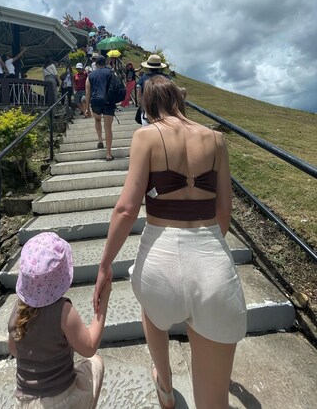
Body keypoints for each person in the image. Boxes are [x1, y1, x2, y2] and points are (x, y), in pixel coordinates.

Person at [94, 75, 246, 409]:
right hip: (212, 267)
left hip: (159, 265)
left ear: (147, 106)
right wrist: (205, 248)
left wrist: (104, 266)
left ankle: (164, 385)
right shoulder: (217, 139)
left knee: (152, 311)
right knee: (214, 402)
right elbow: (224, 212)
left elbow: (127, 209)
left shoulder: (146, 136)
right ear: (180, 100)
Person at [8, 232, 111, 409]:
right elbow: (89, 347)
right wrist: (104, 301)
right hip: (62, 400)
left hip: (25, 402)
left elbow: (13, 349)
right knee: (96, 362)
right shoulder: (63, 311)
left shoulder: (18, 309)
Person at [84, 55, 115, 161]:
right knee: (108, 127)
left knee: (97, 120)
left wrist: (87, 108)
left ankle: (100, 140)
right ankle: (108, 154)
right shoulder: (110, 72)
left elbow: (87, 92)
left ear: (96, 64)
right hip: (108, 101)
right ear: (105, 63)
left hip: (96, 100)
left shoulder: (90, 75)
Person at [136, 54, 169, 125]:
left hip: (148, 111)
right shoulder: (167, 78)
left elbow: (139, 95)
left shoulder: (144, 78)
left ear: (148, 67)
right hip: (164, 112)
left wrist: (141, 105)